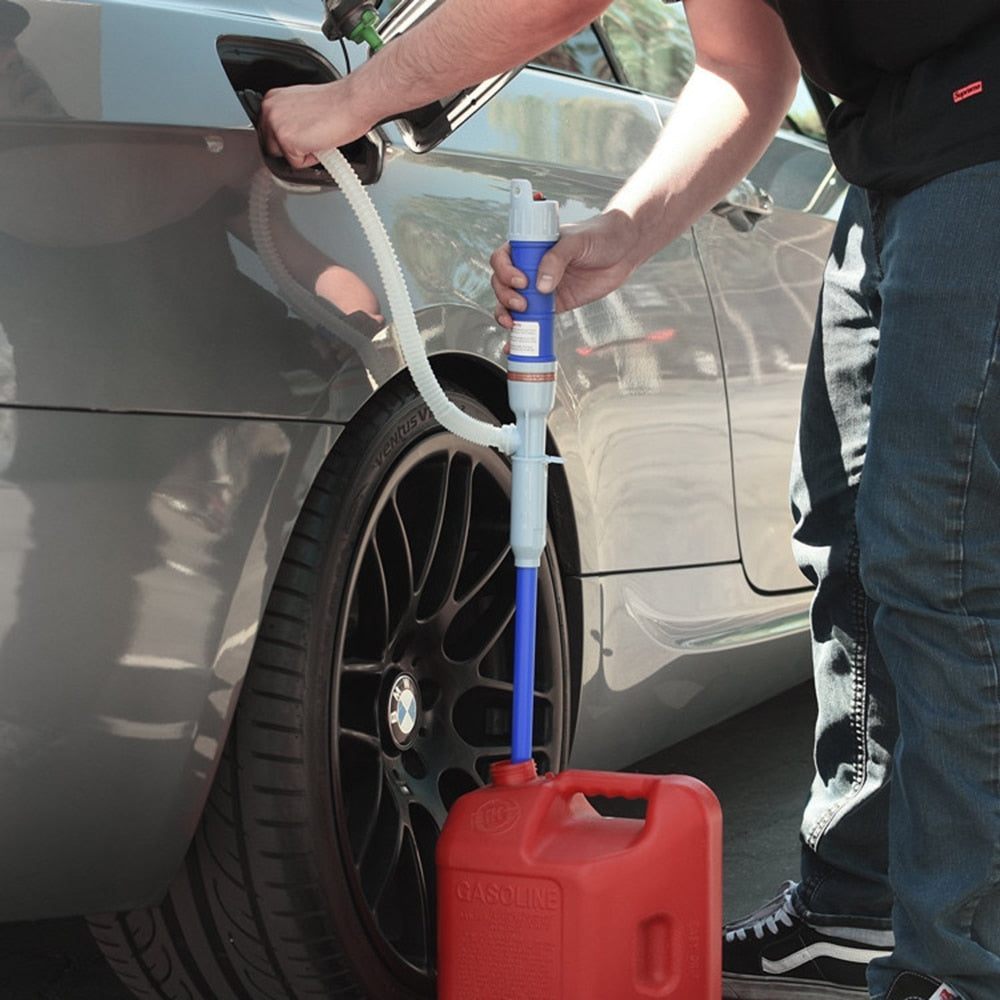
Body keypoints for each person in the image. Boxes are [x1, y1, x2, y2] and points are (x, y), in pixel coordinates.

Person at [260, 1, 1000, 997]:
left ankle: (969, 960)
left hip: (979, 137)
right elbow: (743, 69)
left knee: (938, 560)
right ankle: (861, 902)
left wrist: (352, 99)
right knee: (851, 540)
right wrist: (626, 229)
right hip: (898, 163)